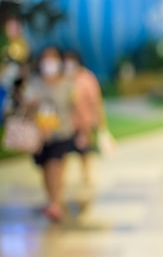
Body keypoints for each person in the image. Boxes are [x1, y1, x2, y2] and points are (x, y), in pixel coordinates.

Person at [23, 46, 84, 221]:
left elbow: (75, 106)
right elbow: (26, 107)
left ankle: (55, 203)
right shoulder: (34, 83)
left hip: (62, 132)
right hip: (40, 135)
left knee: (55, 166)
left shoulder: (67, 83)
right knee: (45, 169)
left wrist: (82, 129)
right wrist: (29, 104)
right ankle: (52, 200)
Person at [63, 50, 107, 186]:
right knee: (62, 152)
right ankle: (61, 178)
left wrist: (100, 122)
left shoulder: (87, 78)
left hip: (83, 122)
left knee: (84, 150)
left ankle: (86, 175)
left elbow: (95, 101)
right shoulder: (62, 78)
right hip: (65, 124)